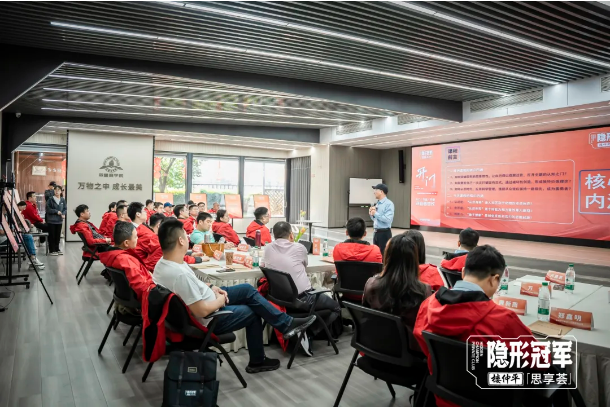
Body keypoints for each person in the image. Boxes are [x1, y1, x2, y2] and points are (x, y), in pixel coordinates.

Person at [152, 219, 316, 373]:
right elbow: (201, 310)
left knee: (247, 289)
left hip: (208, 299)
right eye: (185, 235)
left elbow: (194, 285)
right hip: (209, 318)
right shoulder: (179, 274)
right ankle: (259, 359)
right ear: (181, 241)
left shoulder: (164, 264)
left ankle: (286, 324)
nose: (188, 238)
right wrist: (220, 300)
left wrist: (212, 287)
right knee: (253, 312)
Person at [414, 245, 535, 406]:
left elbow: (423, 343)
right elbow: (539, 360)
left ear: (463, 272)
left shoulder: (428, 304)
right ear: (494, 279)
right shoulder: (504, 320)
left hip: (443, 397)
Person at [264, 221, 340, 353]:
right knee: (336, 307)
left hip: (278, 300)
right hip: (303, 300)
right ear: (291, 234)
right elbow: (304, 265)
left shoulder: (268, 248)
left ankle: (302, 330)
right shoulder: (299, 248)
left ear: (273, 235)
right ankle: (308, 332)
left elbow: (264, 265)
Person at [363, 234, 433, 353]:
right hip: (407, 355)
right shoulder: (424, 290)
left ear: (387, 256)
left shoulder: (371, 283)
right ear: (414, 259)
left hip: (374, 347)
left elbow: (366, 316)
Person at [128, 203, 205, 272]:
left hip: (144, 268)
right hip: (147, 271)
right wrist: (197, 259)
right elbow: (171, 255)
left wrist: (191, 254)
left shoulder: (143, 231)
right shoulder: (150, 237)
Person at [99, 222, 155, 301]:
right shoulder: (126, 260)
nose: (137, 239)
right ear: (126, 243)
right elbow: (141, 287)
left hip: (124, 294)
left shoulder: (112, 254)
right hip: (140, 297)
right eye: (135, 237)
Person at [369, 183, 394, 256]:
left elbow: (388, 219)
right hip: (376, 232)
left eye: (376, 190)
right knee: (376, 254)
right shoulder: (378, 203)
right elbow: (375, 219)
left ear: (381, 192)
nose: (374, 192)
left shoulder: (389, 204)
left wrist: (375, 213)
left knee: (384, 255)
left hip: (384, 233)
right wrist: (371, 214)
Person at [45, 185, 66, 255]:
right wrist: (56, 211)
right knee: (52, 235)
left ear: (61, 191)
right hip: (51, 221)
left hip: (59, 220)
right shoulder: (50, 199)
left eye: (58, 190)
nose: (57, 191)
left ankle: (57, 248)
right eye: (55, 190)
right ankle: (52, 250)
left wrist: (63, 214)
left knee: (57, 235)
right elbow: (48, 209)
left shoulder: (62, 199)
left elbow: (65, 208)